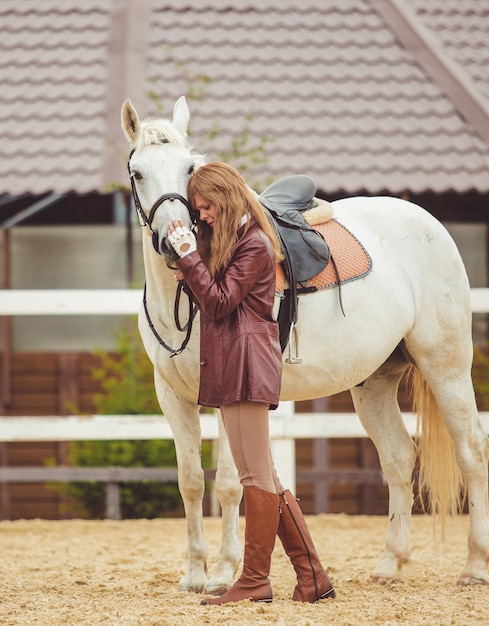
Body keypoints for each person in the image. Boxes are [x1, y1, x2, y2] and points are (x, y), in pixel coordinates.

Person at [167, 161, 335, 606]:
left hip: (245, 361)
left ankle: (256, 579)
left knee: (254, 475)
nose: (201, 215)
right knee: (266, 475)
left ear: (224, 199)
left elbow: (220, 303)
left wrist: (188, 256)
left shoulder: (256, 243)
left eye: (206, 207)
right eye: (197, 209)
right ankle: (312, 575)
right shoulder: (236, 241)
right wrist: (193, 256)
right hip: (232, 361)